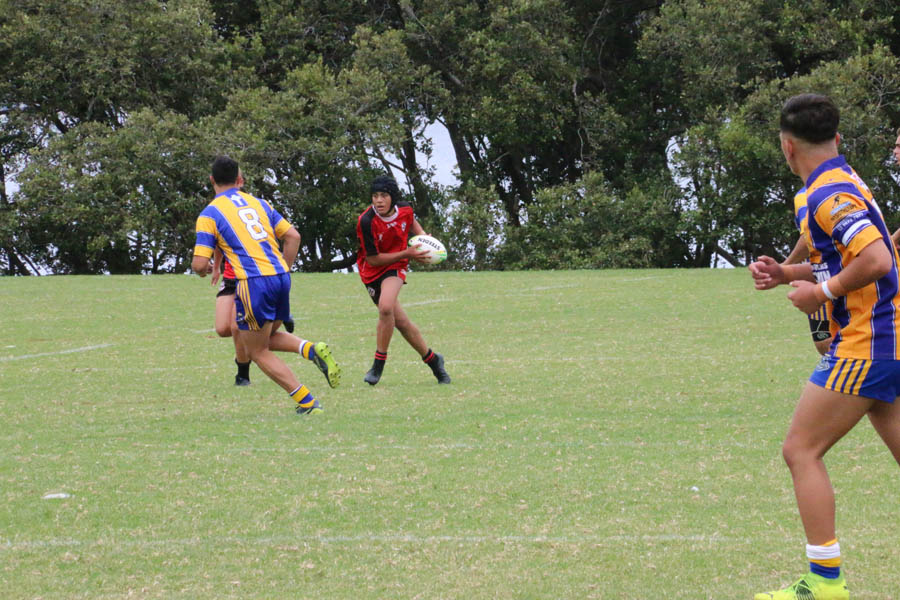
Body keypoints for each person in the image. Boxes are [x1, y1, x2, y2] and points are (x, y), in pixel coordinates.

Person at [748, 94, 900, 600]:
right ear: (836, 138)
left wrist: (821, 293)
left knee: (801, 450)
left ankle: (824, 583)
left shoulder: (828, 196)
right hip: (887, 340)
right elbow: (838, 257)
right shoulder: (838, 181)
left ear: (787, 147)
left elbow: (877, 259)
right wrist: (785, 272)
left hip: (867, 342)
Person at [192, 155, 341, 414]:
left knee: (257, 351)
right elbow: (293, 236)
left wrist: (204, 269)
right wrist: (284, 267)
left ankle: (307, 402)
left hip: (253, 282)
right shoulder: (260, 203)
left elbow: (198, 264)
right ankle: (310, 349)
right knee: (264, 337)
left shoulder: (210, 214)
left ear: (212, 180)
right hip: (280, 277)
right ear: (239, 179)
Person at [355, 174, 451, 386]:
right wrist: (407, 252)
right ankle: (434, 360)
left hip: (395, 266)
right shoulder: (366, 221)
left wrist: (424, 240)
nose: (378, 200)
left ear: (393, 197)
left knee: (385, 307)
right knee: (402, 323)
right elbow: (373, 259)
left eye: (383, 195)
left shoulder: (405, 209)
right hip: (372, 270)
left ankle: (378, 363)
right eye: (375, 196)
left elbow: (412, 222)